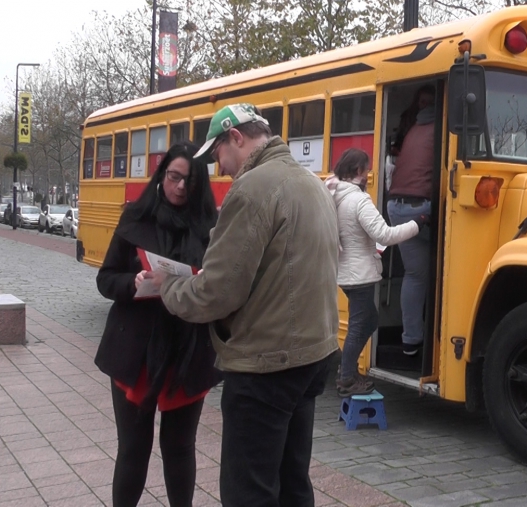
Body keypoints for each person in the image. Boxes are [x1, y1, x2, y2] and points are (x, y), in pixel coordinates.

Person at [148, 103, 340, 507]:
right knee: (293, 484)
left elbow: (219, 292)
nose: (218, 167)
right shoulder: (311, 182)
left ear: (236, 137)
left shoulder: (253, 188)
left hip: (265, 366)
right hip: (313, 356)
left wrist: (168, 287)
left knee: (248, 491)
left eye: (217, 153)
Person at [94, 141, 221, 507]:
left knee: (180, 448)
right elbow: (106, 279)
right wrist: (131, 284)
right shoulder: (135, 218)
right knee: (133, 448)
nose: (180, 187)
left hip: (188, 352)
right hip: (136, 352)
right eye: (174, 177)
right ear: (162, 176)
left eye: (189, 181)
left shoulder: (210, 228)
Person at [326, 149, 426, 396]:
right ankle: (346, 378)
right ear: (358, 171)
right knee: (362, 323)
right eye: (367, 168)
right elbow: (385, 235)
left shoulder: (335, 194)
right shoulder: (358, 201)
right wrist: (418, 223)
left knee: (366, 319)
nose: (369, 172)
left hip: (347, 273)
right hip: (359, 275)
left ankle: (346, 372)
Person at [387, 96, 436, 356]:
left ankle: (411, 339)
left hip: (396, 205)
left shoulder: (413, 129)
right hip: (422, 207)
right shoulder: (443, 126)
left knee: (415, 275)